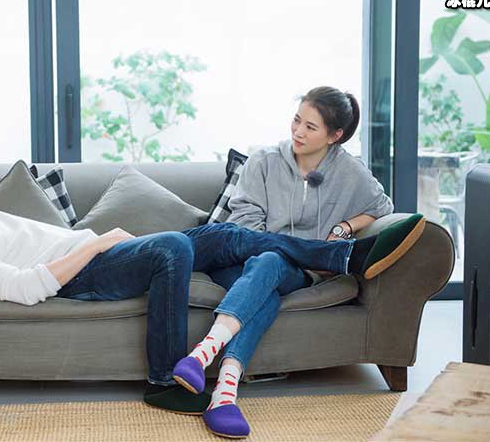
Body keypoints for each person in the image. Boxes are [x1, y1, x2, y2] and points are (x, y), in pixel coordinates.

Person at [0, 136, 422, 422]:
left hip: (98, 254)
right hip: (85, 271)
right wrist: (97, 243)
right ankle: (162, 380)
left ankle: (342, 259)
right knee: (174, 245)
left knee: (227, 236)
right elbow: (25, 287)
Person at [172, 86, 406, 438]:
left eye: (310, 127)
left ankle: (202, 355)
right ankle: (224, 394)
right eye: (297, 120)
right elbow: (245, 229)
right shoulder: (263, 161)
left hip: (298, 272)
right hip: (241, 263)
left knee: (271, 264)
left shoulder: (348, 171)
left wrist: (345, 226)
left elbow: (383, 206)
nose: (298, 131)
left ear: (335, 135)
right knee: (266, 266)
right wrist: (302, 248)